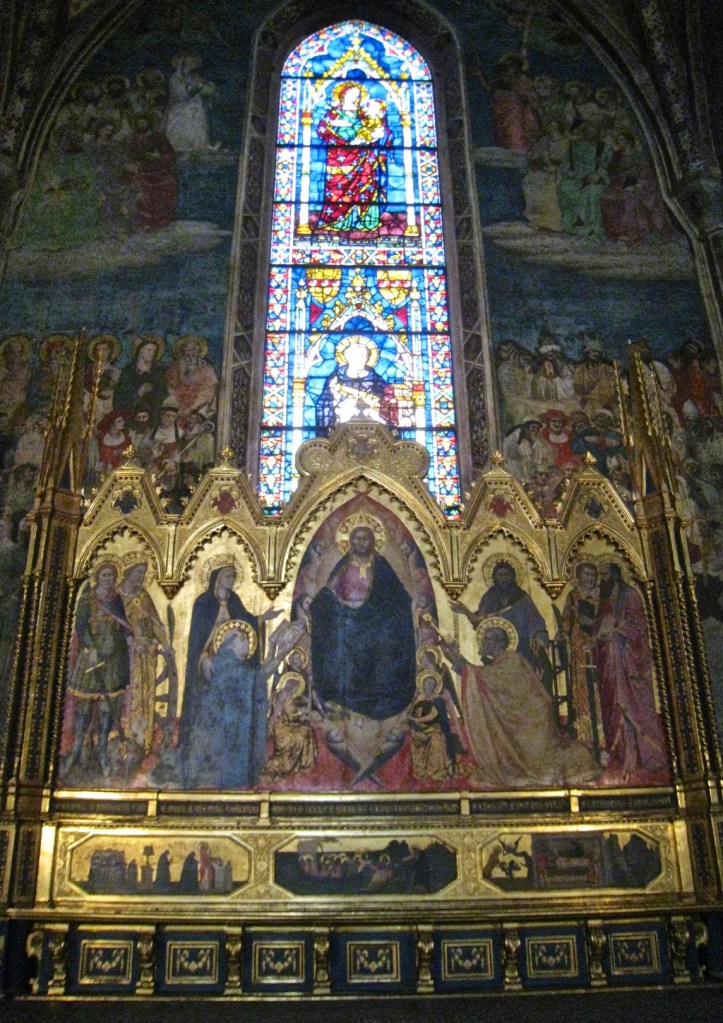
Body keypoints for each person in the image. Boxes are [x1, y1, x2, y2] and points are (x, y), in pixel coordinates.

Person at [309, 522, 416, 779]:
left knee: (384, 648)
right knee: (338, 645)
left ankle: (377, 698)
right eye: (356, 538)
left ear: (372, 542)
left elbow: (400, 598)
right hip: (347, 621)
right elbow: (327, 594)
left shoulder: (382, 566)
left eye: (365, 538)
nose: (360, 543)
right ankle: (342, 698)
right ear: (350, 542)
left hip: (376, 624)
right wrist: (315, 605)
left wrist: (391, 612)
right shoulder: (343, 565)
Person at [442, 623, 598, 788]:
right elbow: (483, 678)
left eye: (487, 639)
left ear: (499, 643)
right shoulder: (500, 663)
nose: (482, 642)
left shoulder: (511, 659)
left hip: (531, 720)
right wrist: (454, 655)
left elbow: (490, 679)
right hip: (523, 718)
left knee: (544, 765)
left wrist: (460, 662)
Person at [179, 563, 279, 783]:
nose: (231, 580)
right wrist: (203, 659)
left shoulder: (234, 601)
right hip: (208, 660)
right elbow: (197, 638)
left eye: (234, 576)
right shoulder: (203, 603)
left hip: (229, 660)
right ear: (217, 578)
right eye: (227, 576)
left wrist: (263, 617)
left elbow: (246, 622)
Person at [181, 620, 283, 789]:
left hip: (226, 728)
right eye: (243, 640)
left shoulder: (235, 666)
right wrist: (280, 654)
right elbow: (256, 677)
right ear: (229, 645)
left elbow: (256, 676)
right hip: (221, 734)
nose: (248, 644)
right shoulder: (225, 664)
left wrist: (274, 652)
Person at [593, 562, 668, 779]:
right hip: (608, 663)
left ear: (616, 574)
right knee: (613, 706)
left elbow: (640, 628)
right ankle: (621, 752)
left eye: (604, 573)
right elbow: (599, 626)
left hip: (629, 663)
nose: (601, 579)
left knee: (632, 706)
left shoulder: (631, 596)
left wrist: (617, 625)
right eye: (600, 575)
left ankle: (643, 755)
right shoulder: (604, 598)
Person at [60, 562, 133, 779]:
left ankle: (102, 749)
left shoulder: (116, 599)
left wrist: (128, 636)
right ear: (98, 576)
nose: (108, 578)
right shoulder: (86, 600)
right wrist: (90, 647)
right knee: (84, 705)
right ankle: (77, 748)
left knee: (107, 707)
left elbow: (122, 622)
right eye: (105, 575)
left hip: (113, 659)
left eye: (112, 575)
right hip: (92, 656)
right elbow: (81, 626)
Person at [314, 80, 392, 235]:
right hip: (339, 157)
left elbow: (377, 127)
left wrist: (371, 137)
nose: (355, 99)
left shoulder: (362, 115)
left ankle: (366, 222)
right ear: (342, 95)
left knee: (366, 187)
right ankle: (338, 222)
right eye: (351, 95)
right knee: (338, 189)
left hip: (364, 159)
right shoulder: (333, 114)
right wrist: (344, 141)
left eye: (357, 96)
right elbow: (322, 130)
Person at [451, 560, 550, 675]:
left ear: (512, 577)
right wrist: (467, 613)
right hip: (498, 650)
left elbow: (535, 620)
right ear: (494, 578)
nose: (504, 579)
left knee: (544, 668)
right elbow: (482, 622)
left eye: (507, 575)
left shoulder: (522, 597)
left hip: (523, 649)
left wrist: (538, 638)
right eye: (500, 575)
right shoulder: (489, 598)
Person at [118, 561, 174, 755]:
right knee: (129, 692)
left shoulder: (144, 596)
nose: (140, 577)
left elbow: (155, 622)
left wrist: (165, 645)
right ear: (128, 573)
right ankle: (124, 735)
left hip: (146, 652)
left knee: (145, 693)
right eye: (137, 572)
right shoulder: (117, 597)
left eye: (143, 573)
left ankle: (143, 736)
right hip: (125, 653)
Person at [560, 562, 605, 760]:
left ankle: (603, 739)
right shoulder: (573, 596)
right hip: (579, 646)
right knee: (583, 690)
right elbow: (566, 620)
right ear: (579, 576)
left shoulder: (602, 596)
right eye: (585, 574)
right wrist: (563, 633)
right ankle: (585, 738)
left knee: (600, 688)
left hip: (600, 645)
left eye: (592, 574)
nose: (589, 578)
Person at [314, 336, 392, 433]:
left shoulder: (377, 380)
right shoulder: (335, 379)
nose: (361, 359)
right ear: (347, 357)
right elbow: (323, 405)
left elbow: (388, 406)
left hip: (375, 432)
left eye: (364, 356)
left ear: (368, 358)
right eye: (356, 355)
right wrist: (335, 400)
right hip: (341, 433)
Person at [165, 334, 218, 420]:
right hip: (177, 405)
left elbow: (207, 393)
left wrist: (191, 408)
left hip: (198, 407)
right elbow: (171, 389)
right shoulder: (175, 367)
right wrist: (176, 407)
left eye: (192, 350)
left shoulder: (207, 370)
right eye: (185, 350)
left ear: (198, 351)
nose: (188, 354)